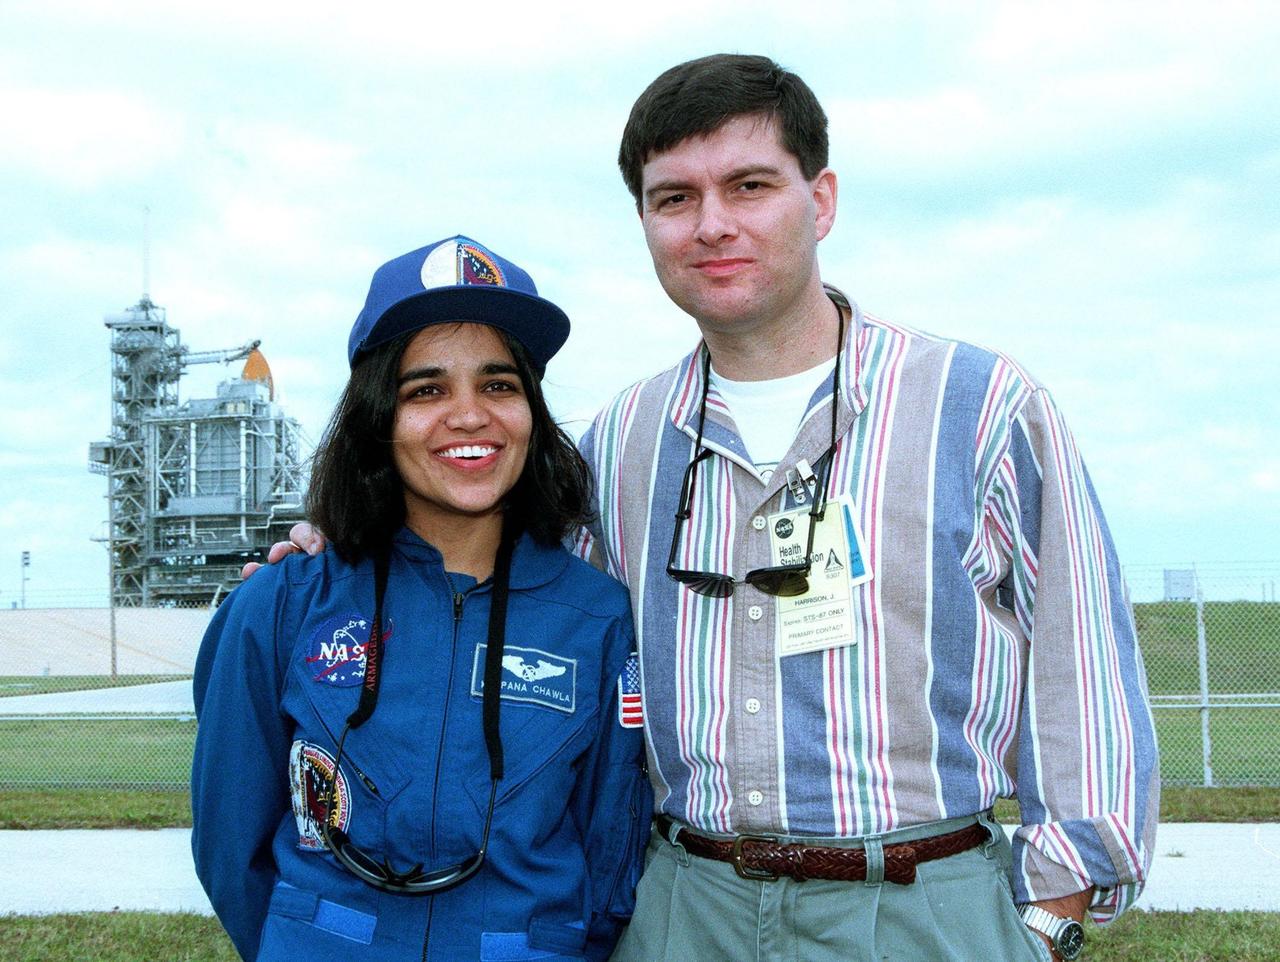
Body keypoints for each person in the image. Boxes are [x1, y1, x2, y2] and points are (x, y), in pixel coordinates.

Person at [258, 56, 1158, 961]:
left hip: (919, 905)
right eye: (674, 198)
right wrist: (340, 533)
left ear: (824, 199)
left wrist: (1050, 919)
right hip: (685, 907)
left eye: (750, 185)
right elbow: (489, 574)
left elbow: (1082, 669)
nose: (713, 225)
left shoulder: (981, 407)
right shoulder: (620, 441)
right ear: (646, 223)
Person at [192, 235, 650, 962]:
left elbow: (611, 846)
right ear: (380, 418)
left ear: (531, 409)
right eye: (427, 389)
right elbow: (230, 841)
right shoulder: (284, 603)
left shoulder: (595, 618)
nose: (469, 416)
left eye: (499, 385)